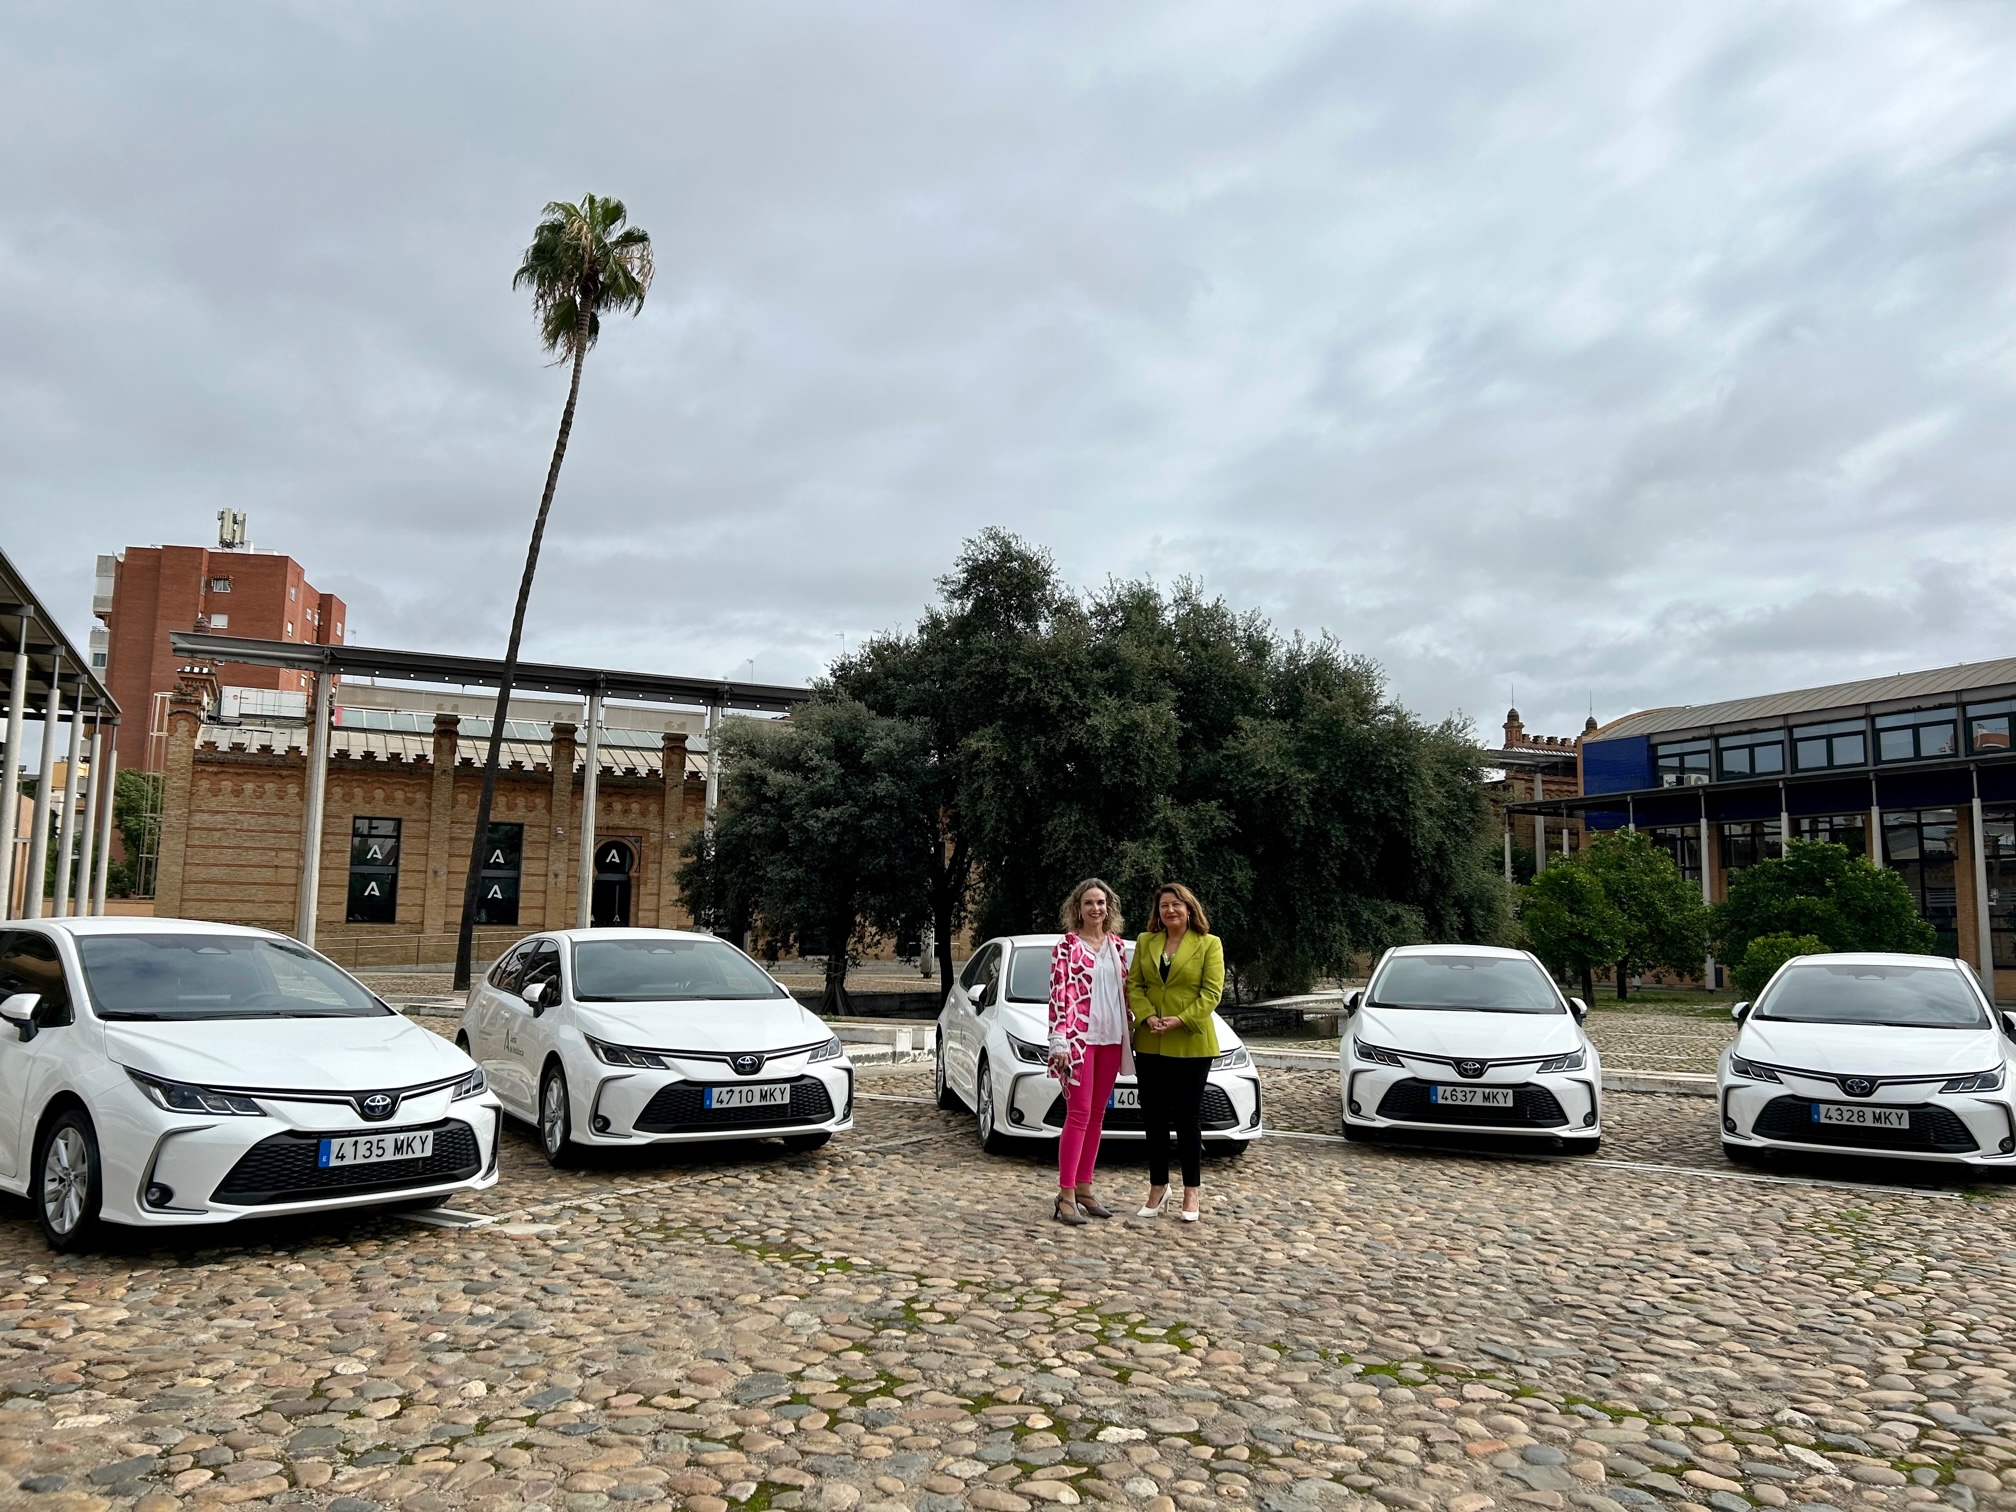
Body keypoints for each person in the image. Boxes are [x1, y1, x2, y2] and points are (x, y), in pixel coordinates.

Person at [1127, 882, 1223, 1223]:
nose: (1170, 911)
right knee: (1153, 1117)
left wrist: (1179, 1020)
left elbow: (1211, 993)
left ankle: (1191, 1191)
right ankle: (1158, 1187)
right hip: (1151, 1039)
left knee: (1187, 1118)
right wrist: (1147, 1016)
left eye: (1177, 905)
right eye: (1165, 906)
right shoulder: (1145, 942)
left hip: (1191, 1042)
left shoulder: (1209, 944)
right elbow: (1134, 985)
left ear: (1189, 909)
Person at [1045, 878, 1132, 1225]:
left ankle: (1085, 1187)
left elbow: (1123, 992)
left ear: (1108, 908)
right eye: (1089, 903)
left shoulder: (1117, 947)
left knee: (1097, 1115)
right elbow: (1058, 995)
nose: (1096, 908)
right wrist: (1058, 1040)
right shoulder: (1066, 947)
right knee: (1078, 1114)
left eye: (1101, 902)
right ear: (1077, 909)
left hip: (1111, 1037)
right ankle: (1065, 1193)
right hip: (1079, 1042)